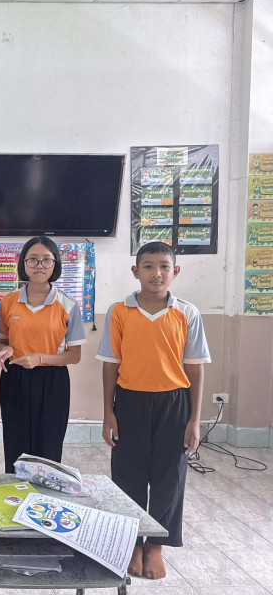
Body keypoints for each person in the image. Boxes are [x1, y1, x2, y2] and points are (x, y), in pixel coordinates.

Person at [97, 241, 210, 580]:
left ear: (175, 272)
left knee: (169, 477)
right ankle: (132, 541)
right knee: (127, 475)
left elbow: (195, 368)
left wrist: (194, 419)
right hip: (129, 402)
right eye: (148, 266)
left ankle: (156, 543)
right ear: (136, 271)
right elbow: (110, 364)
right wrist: (108, 411)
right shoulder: (120, 311)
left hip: (174, 404)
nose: (156, 273)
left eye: (164, 266)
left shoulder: (187, 313)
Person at [0, 237, 85, 473]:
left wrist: (40, 358)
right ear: (23, 263)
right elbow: (3, 341)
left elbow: (74, 355)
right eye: (32, 259)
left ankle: (46, 492)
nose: (39, 265)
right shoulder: (8, 302)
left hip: (53, 381)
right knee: (16, 444)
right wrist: (7, 349)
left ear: (55, 264)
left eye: (46, 260)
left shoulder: (68, 305)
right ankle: (15, 492)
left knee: (49, 446)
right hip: (15, 378)